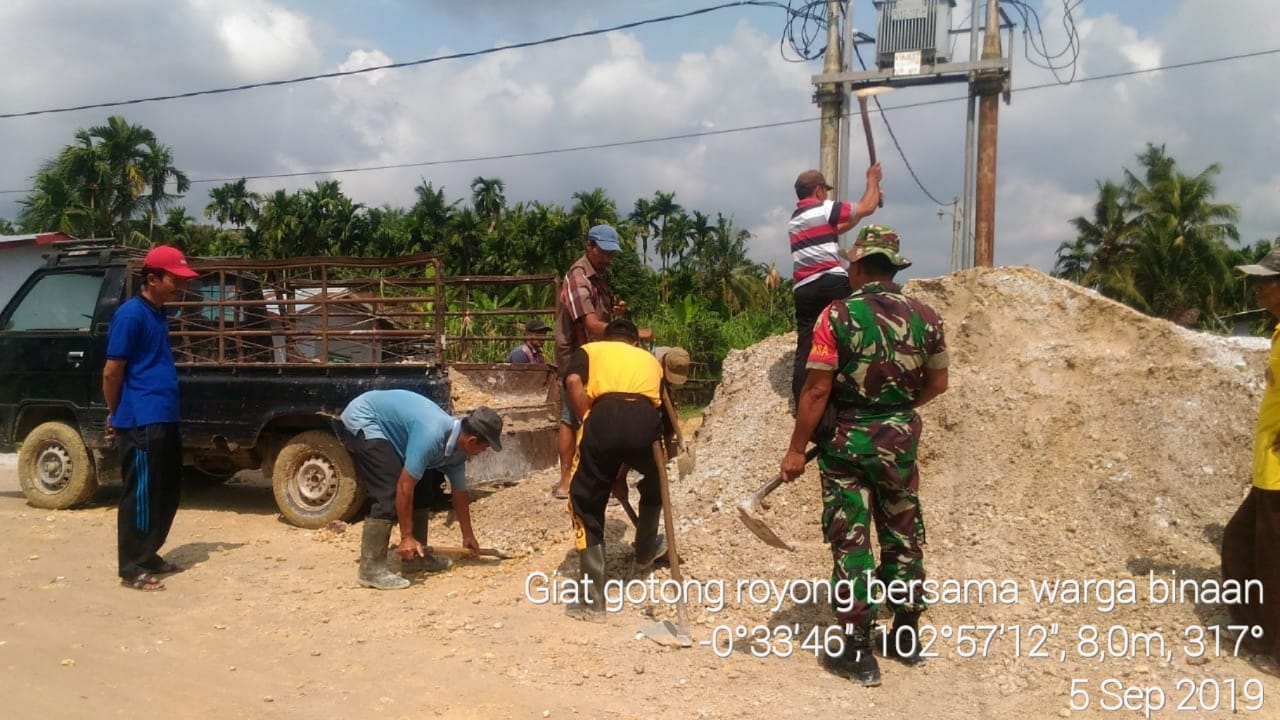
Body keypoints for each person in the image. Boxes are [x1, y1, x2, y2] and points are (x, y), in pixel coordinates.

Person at [779, 225, 948, 686]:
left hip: (847, 442)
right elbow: (938, 384)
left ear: (856, 267)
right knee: (902, 528)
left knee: (852, 539)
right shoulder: (928, 317)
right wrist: (895, 414)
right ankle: (906, 635)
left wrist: (796, 450)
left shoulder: (836, 316)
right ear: (894, 268)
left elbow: (816, 390)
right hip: (900, 441)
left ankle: (858, 653)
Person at [103, 244, 201, 592]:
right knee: (142, 494)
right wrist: (115, 414)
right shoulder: (131, 315)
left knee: (166, 489)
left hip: (163, 414)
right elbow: (113, 371)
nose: (182, 286)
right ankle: (131, 567)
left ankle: (149, 553)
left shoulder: (158, 313)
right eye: (175, 280)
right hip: (141, 418)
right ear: (152, 278)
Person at [338, 389, 503, 590]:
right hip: (366, 417)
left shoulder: (458, 454)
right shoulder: (432, 434)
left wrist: (467, 535)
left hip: (395, 428)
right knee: (388, 492)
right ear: (471, 441)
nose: (482, 454)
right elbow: (404, 486)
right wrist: (406, 536)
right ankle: (370, 569)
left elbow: (460, 494)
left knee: (425, 490)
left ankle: (416, 558)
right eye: (484, 448)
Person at [563, 319, 666, 620]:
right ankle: (645, 550)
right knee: (655, 481)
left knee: (585, 500)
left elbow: (572, 383)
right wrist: (620, 475)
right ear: (634, 341)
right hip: (646, 421)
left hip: (604, 415)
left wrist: (588, 417)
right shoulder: (649, 360)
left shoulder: (590, 350)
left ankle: (593, 602)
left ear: (608, 338)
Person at [1222, 249, 1280, 664]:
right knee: (1240, 542)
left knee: (1273, 563)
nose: (1259, 287)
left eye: (1266, 281)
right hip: (1269, 469)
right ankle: (1255, 629)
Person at [788, 164, 883, 404]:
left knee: (806, 343)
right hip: (831, 281)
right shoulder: (824, 209)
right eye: (825, 191)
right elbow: (867, 207)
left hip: (804, 288)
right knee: (847, 334)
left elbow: (839, 227)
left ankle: (802, 400)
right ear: (819, 190)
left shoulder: (796, 220)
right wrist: (872, 181)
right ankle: (847, 394)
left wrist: (861, 212)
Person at [551, 224, 626, 500]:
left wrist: (613, 312)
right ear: (589, 247)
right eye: (604, 252)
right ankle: (565, 481)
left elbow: (598, 315)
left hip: (598, 356)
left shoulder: (598, 277)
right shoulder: (578, 277)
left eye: (611, 254)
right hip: (577, 358)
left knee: (593, 415)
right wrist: (627, 331)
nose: (608, 258)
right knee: (571, 417)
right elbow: (591, 325)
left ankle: (594, 474)